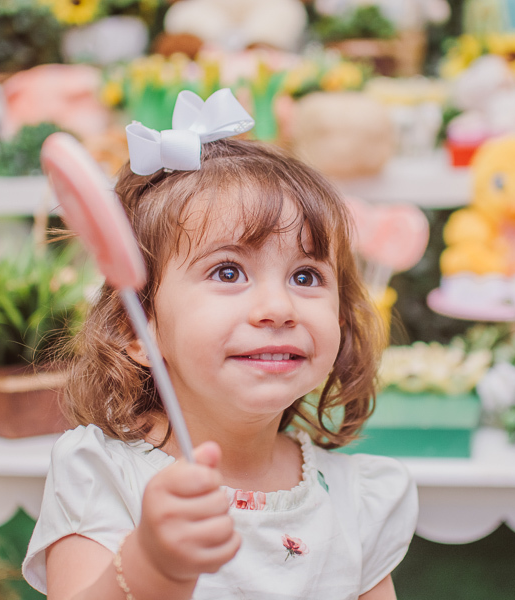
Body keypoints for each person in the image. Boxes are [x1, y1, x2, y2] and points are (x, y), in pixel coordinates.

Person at [22, 89, 418, 599]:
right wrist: (152, 565)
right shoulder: (103, 474)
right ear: (136, 330)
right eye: (228, 271)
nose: (279, 307)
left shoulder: (357, 500)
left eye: (306, 276)